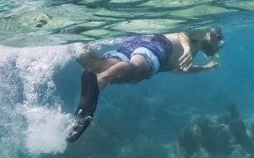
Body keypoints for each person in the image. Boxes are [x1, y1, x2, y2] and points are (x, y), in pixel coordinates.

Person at [66, 27, 225, 142]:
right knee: (137, 73)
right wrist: (187, 49)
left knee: (98, 65)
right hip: (160, 45)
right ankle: (100, 80)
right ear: (212, 35)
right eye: (219, 40)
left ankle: (72, 39)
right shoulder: (203, 33)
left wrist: (204, 68)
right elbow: (183, 32)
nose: (220, 45)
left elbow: (179, 70)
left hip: (139, 41)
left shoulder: (192, 53)